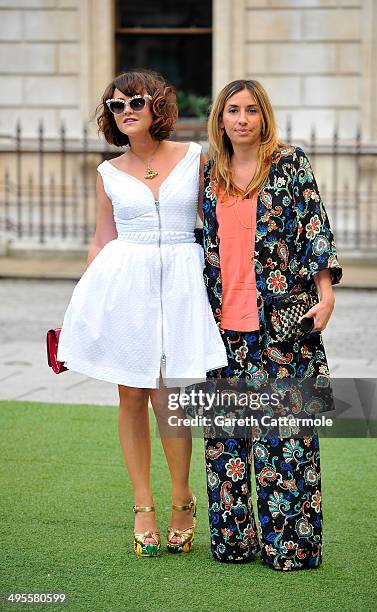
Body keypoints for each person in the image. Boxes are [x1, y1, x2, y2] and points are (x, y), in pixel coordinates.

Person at [57, 69, 227, 557]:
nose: (126, 110)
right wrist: (83, 307)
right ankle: (142, 504)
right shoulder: (107, 172)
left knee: (169, 395)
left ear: (157, 105)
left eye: (135, 101)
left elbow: (214, 223)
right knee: (131, 392)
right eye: (116, 105)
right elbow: (102, 238)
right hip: (124, 283)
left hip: (182, 280)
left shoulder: (195, 158)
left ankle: (181, 497)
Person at [201, 79, 342, 570]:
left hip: (285, 323)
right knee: (226, 441)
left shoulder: (289, 163)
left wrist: (325, 295)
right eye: (233, 110)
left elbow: (314, 229)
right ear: (220, 118)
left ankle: (292, 547)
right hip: (221, 327)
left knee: (289, 438)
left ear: (264, 117)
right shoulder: (209, 175)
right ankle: (234, 543)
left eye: (251, 111)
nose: (242, 119)